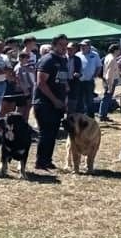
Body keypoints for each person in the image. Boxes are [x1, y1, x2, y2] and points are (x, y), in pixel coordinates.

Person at [32, 35, 73, 171]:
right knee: (46, 132)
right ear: (54, 45)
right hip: (44, 103)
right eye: (61, 45)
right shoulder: (47, 60)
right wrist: (54, 100)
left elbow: (63, 81)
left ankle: (47, 160)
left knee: (53, 133)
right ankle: (40, 162)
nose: (64, 48)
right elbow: (41, 83)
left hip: (58, 103)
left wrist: (64, 98)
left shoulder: (62, 60)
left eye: (65, 45)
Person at [73, 41, 102, 116]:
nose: (82, 47)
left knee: (89, 100)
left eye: (84, 45)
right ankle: (80, 116)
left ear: (89, 46)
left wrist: (95, 75)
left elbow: (99, 66)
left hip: (89, 81)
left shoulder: (95, 55)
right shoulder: (77, 55)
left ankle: (90, 117)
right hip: (78, 81)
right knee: (79, 100)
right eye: (81, 45)